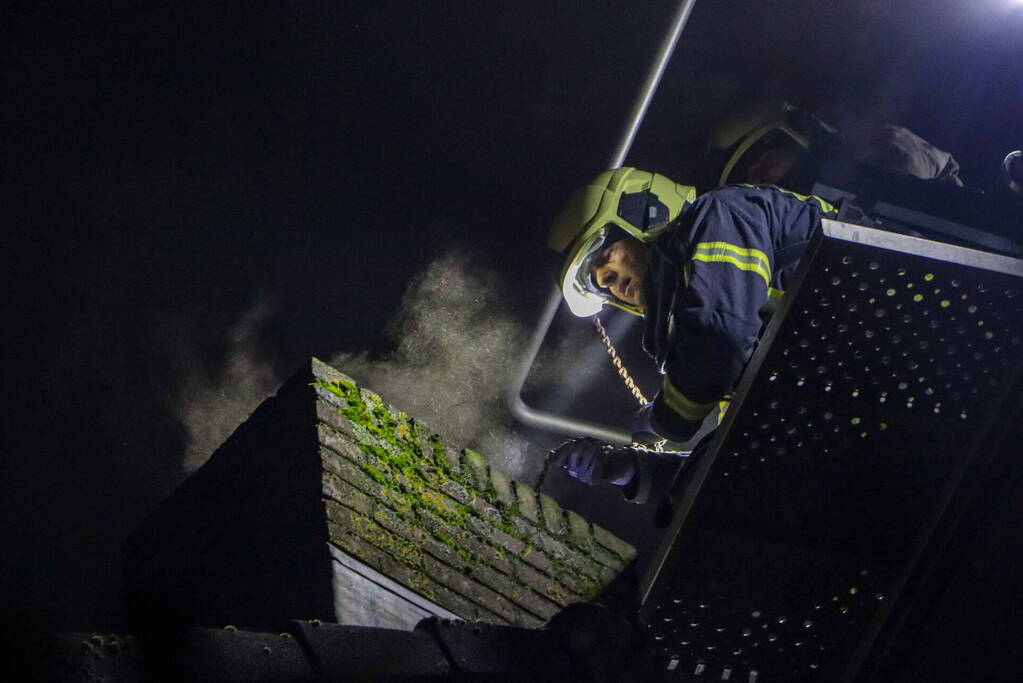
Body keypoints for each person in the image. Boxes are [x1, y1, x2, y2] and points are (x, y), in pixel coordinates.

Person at [547, 167, 839, 502]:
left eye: (609, 260)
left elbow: (719, 342)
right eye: (606, 282)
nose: (617, 284)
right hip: (828, 404)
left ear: (640, 211)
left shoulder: (720, 215)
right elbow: (734, 462)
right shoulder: (697, 326)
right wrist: (627, 468)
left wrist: (665, 419)